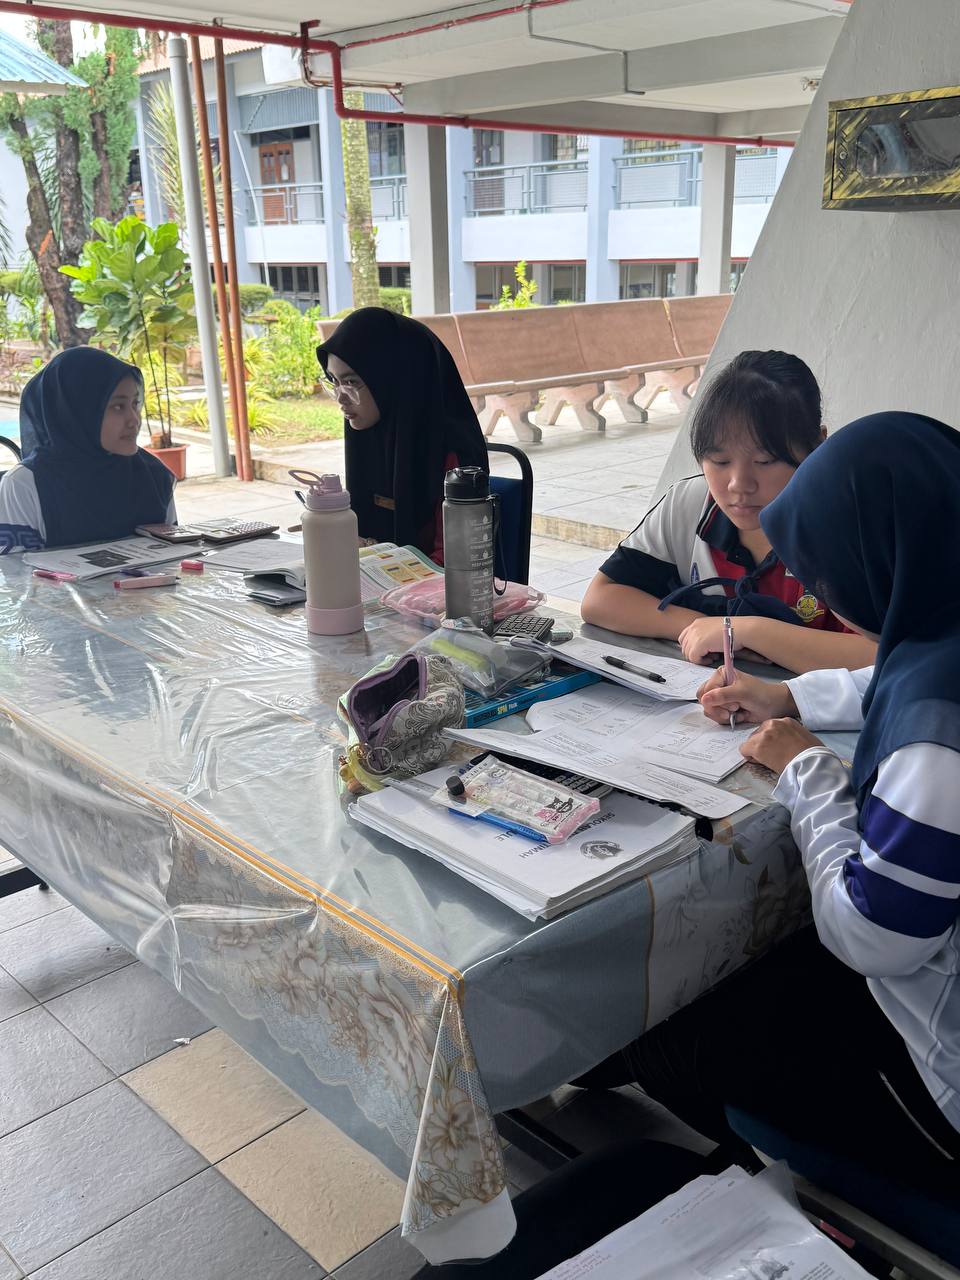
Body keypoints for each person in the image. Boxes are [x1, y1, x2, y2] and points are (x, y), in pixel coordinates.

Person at [588, 412, 960, 1196]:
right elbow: (889, 671)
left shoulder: (937, 744)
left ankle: (800, 1199)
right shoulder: (942, 628)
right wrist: (788, 694)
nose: (826, 595)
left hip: (942, 1082)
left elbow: (873, 936)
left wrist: (809, 771)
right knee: (750, 966)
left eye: (830, 576)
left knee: (677, 1034)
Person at [580, 351, 876, 674]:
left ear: (818, 445)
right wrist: (701, 626)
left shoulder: (849, 528)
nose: (739, 484)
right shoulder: (691, 504)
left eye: (764, 461)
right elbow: (600, 600)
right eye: (720, 461)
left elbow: (885, 655)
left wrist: (747, 632)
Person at [316, 307, 487, 564]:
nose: (341, 398)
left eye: (351, 382)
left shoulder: (454, 458)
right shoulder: (371, 437)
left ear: (394, 381)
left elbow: (455, 562)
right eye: (334, 381)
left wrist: (380, 557)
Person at [0, 347, 175, 554]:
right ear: (76, 412)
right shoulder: (27, 485)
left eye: (135, 404)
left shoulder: (155, 475)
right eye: (118, 407)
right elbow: (15, 571)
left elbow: (176, 557)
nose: (134, 420)